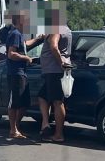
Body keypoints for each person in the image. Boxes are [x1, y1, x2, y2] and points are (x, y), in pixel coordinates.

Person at [28, 7, 72, 142]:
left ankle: (58, 135)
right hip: (53, 71)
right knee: (42, 97)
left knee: (58, 102)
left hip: (55, 70)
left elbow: (54, 46)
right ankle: (45, 124)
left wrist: (60, 63)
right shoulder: (66, 29)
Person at [4, 11, 32, 140]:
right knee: (14, 103)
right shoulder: (15, 34)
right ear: (20, 21)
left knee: (24, 102)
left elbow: (24, 46)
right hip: (15, 73)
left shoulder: (20, 35)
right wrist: (26, 58)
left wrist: (38, 39)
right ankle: (12, 129)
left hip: (22, 73)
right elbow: (11, 54)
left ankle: (16, 127)